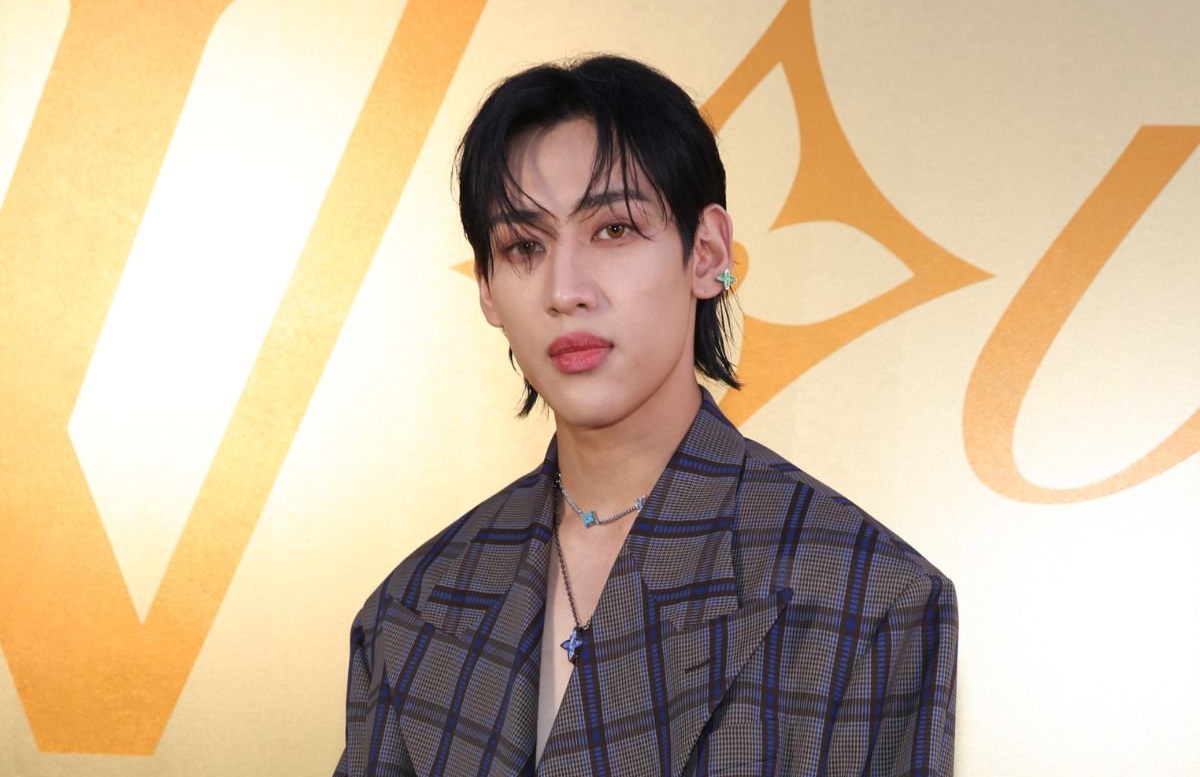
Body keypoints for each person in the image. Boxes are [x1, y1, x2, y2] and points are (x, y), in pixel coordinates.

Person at [334, 55, 957, 777]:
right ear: (488, 290)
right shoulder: (410, 607)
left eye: (614, 230)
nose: (566, 290)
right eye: (524, 245)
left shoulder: (866, 594)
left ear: (707, 253)